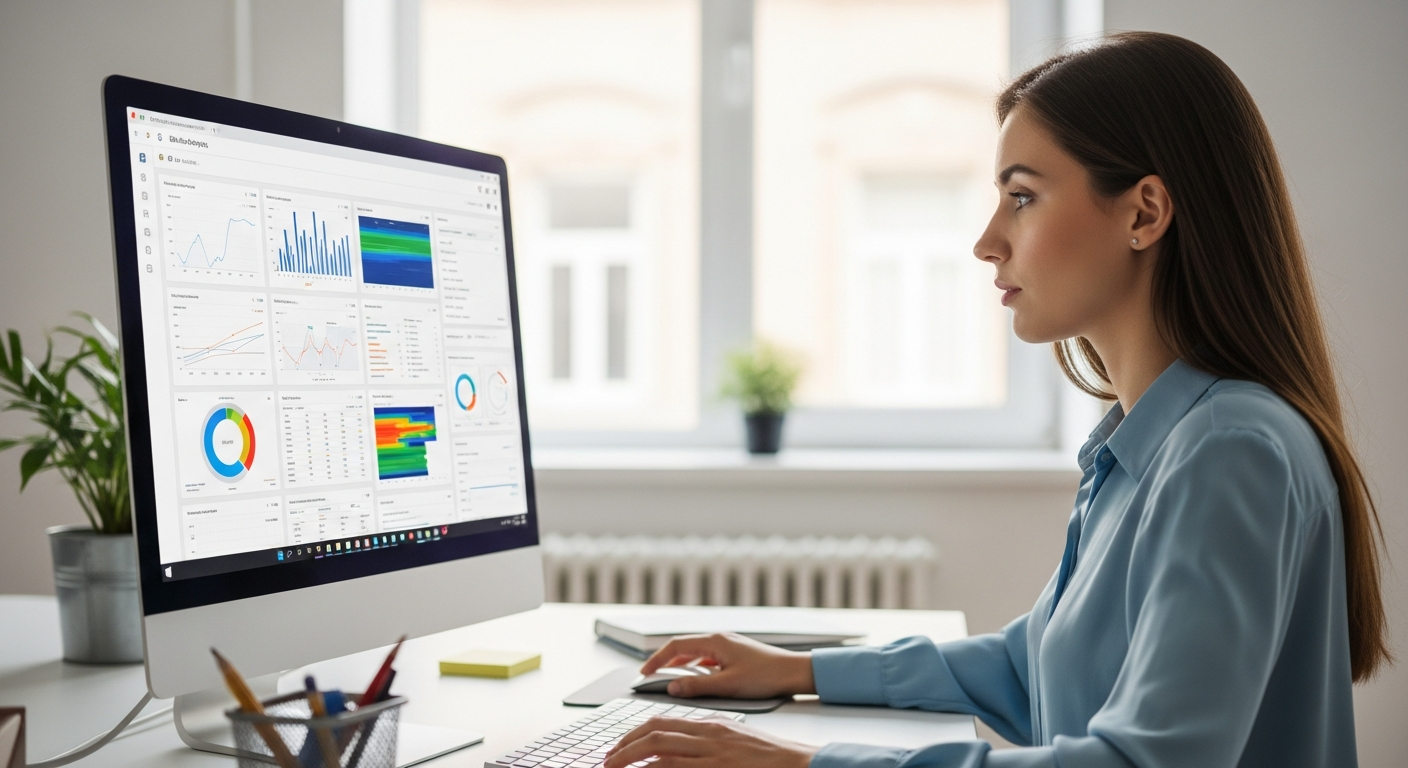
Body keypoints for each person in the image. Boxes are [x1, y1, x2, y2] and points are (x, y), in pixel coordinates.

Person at [600, 31, 1391, 768]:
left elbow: (1144, 762)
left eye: (1021, 196)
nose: (987, 239)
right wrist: (798, 669)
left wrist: (806, 764)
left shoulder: (1229, 448)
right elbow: (1028, 666)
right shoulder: (1152, 442)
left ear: (1144, 212)